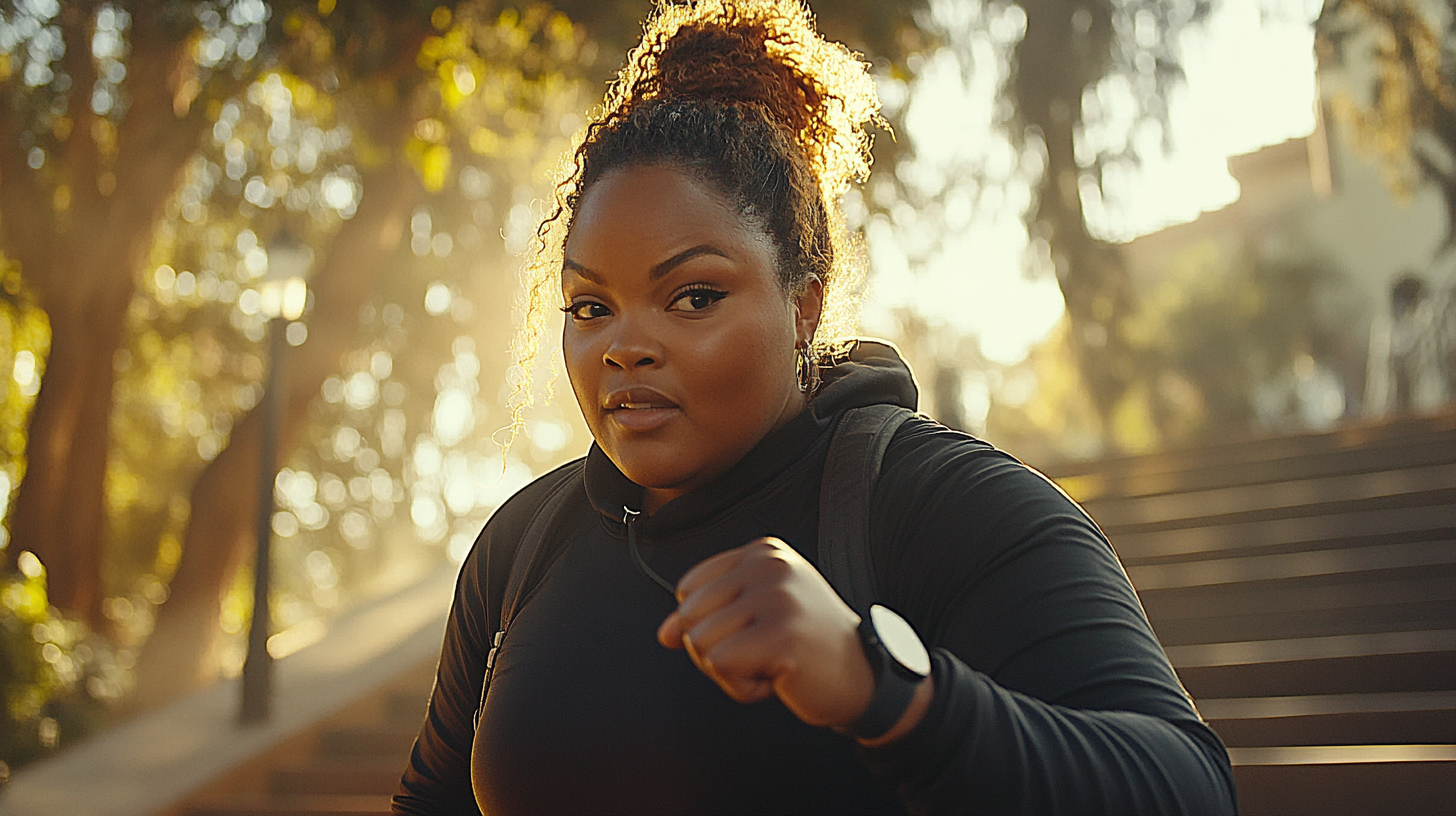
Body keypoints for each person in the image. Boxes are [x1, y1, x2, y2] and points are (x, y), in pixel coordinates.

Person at [392, 1, 1238, 813]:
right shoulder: (523, 544)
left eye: (692, 297)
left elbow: (1188, 789)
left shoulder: (941, 505)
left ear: (804, 304)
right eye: (590, 307)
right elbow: (432, 800)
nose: (624, 346)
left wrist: (883, 688)